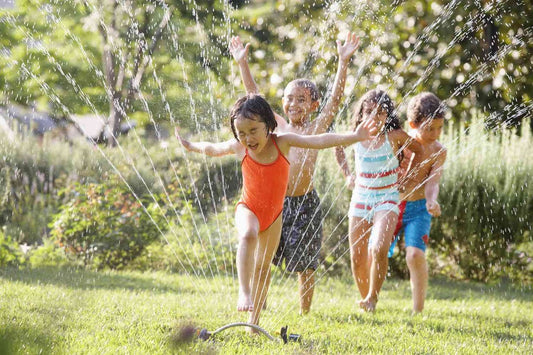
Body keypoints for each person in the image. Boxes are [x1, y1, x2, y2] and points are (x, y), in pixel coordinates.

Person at [175, 94, 376, 330]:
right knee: (248, 234)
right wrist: (191, 146)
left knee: (262, 267)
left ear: (268, 126)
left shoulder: (283, 142)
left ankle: (253, 323)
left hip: (274, 217)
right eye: (241, 133)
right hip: (248, 208)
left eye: (253, 130)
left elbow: (320, 140)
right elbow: (212, 148)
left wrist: (355, 136)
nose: (248, 138)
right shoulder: (240, 148)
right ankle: (243, 292)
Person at [229, 32, 360, 314]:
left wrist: (343, 62)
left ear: (314, 105)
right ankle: (257, 304)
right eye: (289, 99)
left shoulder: (315, 128)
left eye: (302, 100)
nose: (293, 104)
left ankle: (304, 312)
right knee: (263, 258)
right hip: (272, 204)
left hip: (305, 202)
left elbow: (335, 100)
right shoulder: (275, 127)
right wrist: (243, 65)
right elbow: (253, 98)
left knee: (306, 262)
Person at [335, 89, 422, 312]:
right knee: (357, 255)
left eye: (381, 113)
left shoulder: (395, 137)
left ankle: (373, 297)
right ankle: (365, 301)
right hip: (361, 197)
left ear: (388, 116)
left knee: (379, 248)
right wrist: (348, 175)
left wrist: (409, 178)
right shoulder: (356, 135)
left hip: (387, 198)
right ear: (361, 114)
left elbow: (419, 150)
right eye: (369, 112)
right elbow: (337, 146)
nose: (375, 117)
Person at [388, 92, 447, 313]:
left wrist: (432, 200)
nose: (436, 134)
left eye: (440, 128)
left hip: (419, 208)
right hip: (392, 205)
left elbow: (433, 181)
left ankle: (418, 310)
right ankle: (370, 298)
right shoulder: (401, 142)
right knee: (378, 251)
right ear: (413, 124)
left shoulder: (439, 151)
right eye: (430, 128)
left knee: (415, 255)